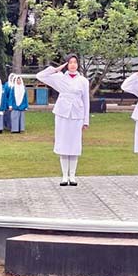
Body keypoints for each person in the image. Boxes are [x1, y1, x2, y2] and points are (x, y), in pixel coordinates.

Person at [36, 54, 90, 186]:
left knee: (74, 145)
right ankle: (65, 176)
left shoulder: (83, 81)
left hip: (77, 114)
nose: (73, 65)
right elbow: (40, 76)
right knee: (63, 144)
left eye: (75, 62)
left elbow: (86, 100)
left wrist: (86, 120)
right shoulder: (59, 77)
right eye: (70, 62)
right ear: (66, 64)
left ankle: (73, 176)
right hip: (62, 114)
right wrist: (56, 69)